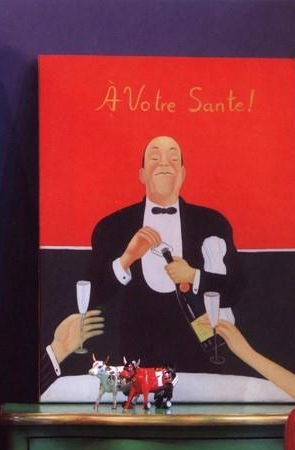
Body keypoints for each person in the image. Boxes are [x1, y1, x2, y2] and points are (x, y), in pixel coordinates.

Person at [90, 134, 245, 371]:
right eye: (154, 157)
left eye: (173, 158)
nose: (164, 163)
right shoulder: (111, 227)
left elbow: (236, 289)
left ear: (183, 173)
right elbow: (93, 294)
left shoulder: (213, 223)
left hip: (200, 357)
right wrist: (127, 258)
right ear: (141, 174)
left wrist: (193, 275)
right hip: (130, 358)